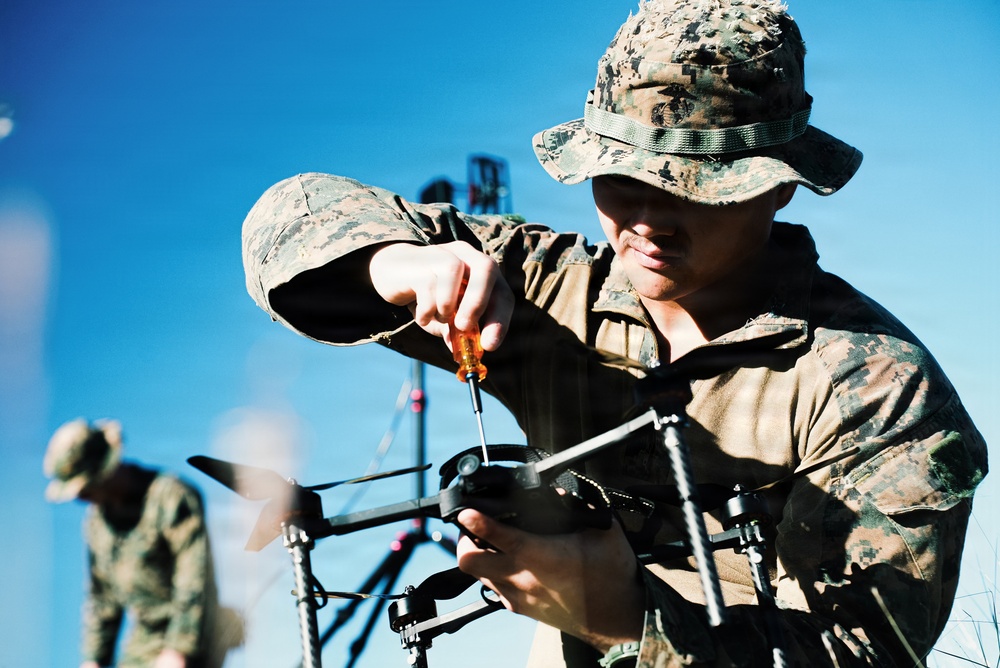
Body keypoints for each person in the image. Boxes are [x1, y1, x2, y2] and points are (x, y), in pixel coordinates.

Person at [240, 0, 988, 666]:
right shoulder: (545, 289)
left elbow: (864, 652)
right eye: (622, 176)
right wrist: (395, 264)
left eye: (697, 184)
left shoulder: (880, 391)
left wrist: (628, 618)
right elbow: (291, 214)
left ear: (780, 182)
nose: (648, 218)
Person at [43, 418, 242, 668]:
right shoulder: (97, 523)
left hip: (196, 630)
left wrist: (178, 650)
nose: (81, 498)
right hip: (145, 638)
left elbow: (195, 579)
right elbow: (102, 597)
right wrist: (93, 659)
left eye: (84, 488)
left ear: (103, 470)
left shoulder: (172, 497)